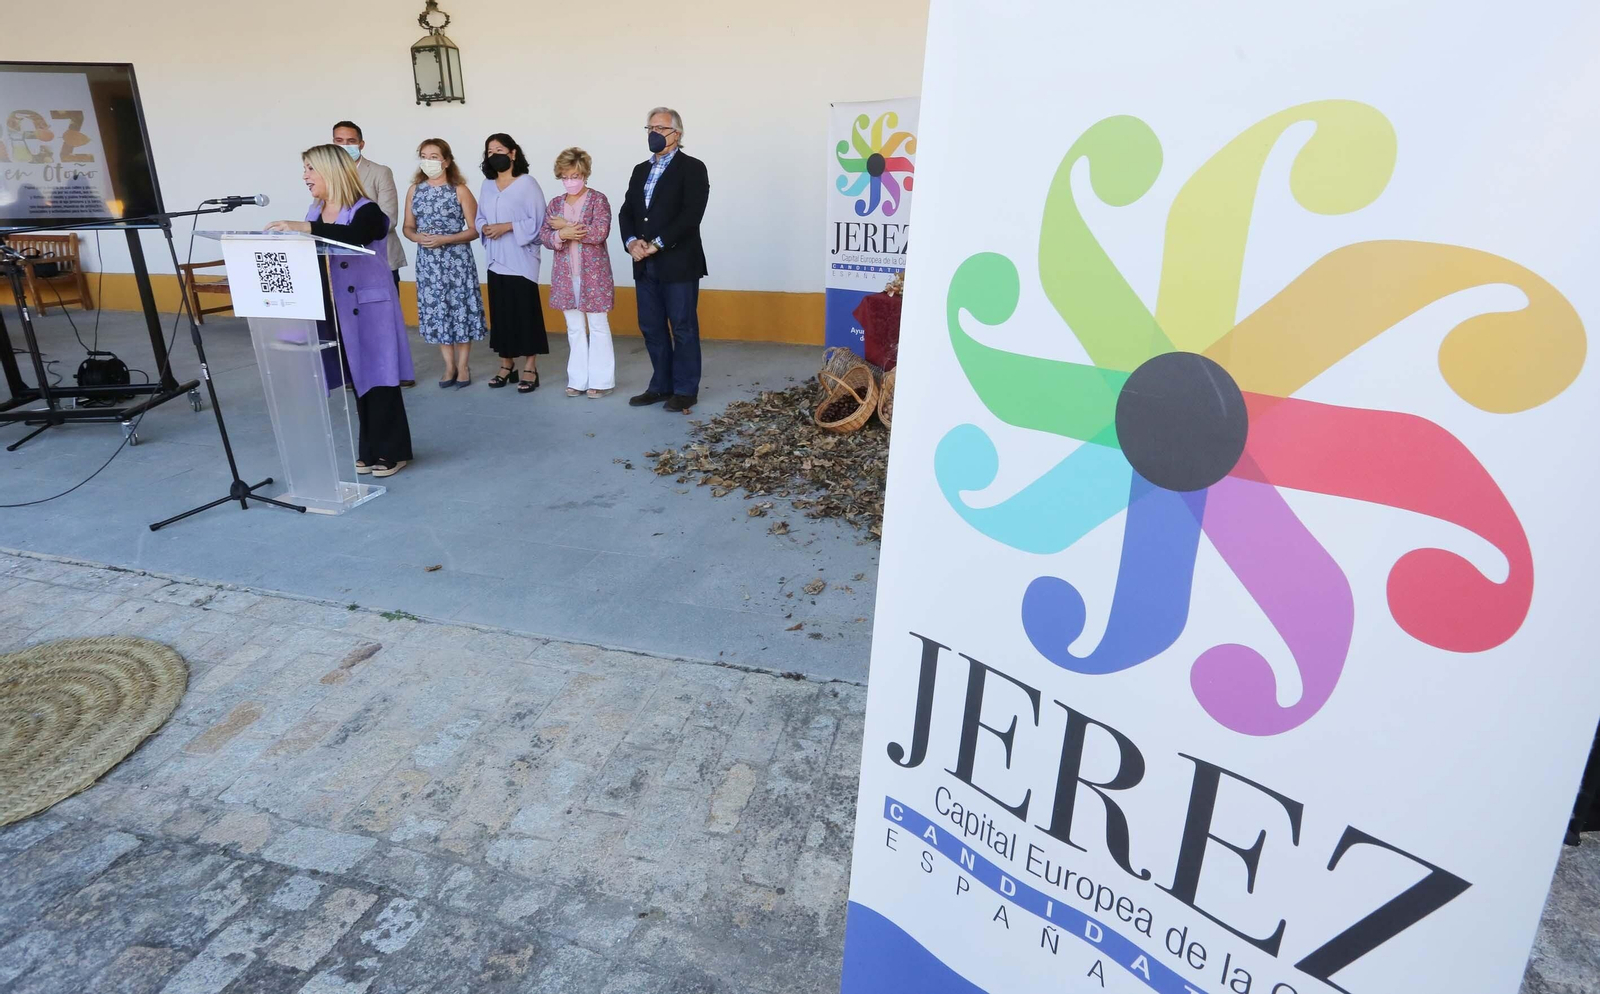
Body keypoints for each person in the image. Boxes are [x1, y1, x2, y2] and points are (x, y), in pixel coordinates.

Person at [266, 145, 414, 477]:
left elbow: (355, 236)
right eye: (304, 169)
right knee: (358, 379)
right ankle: (370, 448)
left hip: (371, 308)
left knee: (380, 378)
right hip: (337, 309)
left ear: (330, 171)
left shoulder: (367, 210)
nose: (305, 176)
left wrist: (304, 229)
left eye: (310, 169)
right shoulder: (315, 211)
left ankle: (393, 450)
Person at [619, 106, 710, 413]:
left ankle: (685, 390)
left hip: (678, 262)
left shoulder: (692, 168)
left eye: (660, 128)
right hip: (643, 263)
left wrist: (657, 244)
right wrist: (631, 242)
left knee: (683, 327)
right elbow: (627, 212)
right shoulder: (639, 170)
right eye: (650, 128)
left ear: (677, 134)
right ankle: (661, 385)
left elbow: (691, 215)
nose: (654, 133)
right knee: (651, 327)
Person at [332, 120, 413, 386]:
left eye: (350, 141)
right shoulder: (328, 175)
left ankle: (395, 373)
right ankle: (357, 374)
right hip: (342, 261)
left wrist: (353, 233)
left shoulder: (379, 172)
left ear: (361, 144)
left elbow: (389, 218)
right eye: (339, 141)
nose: (345, 146)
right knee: (350, 322)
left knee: (385, 321)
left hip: (379, 257)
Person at [402, 138, 486, 387]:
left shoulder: (459, 189)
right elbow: (407, 227)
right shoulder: (415, 190)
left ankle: (463, 366)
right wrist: (417, 237)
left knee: (460, 309)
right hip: (428, 263)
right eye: (424, 156)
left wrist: (446, 239)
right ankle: (449, 366)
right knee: (437, 311)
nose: (428, 161)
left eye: (434, 157)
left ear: (447, 161)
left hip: (457, 262)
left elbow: (475, 229)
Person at [475, 133, 548, 393]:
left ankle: (530, 367)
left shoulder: (527, 183)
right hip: (496, 259)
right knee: (502, 314)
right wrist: (485, 227)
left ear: (513, 153)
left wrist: (507, 226)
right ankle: (506, 364)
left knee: (524, 313)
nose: (494, 155)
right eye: (490, 151)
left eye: (499, 150)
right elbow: (479, 216)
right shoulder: (487, 185)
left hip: (521, 260)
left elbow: (538, 221)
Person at [540, 148, 615, 398]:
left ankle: (602, 381)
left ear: (585, 174)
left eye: (575, 176)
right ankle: (577, 379)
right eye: (565, 176)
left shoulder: (598, 200)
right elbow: (545, 236)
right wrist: (561, 234)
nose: (570, 181)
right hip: (565, 275)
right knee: (574, 327)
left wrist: (566, 226)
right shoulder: (555, 204)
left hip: (594, 275)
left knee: (598, 325)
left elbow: (599, 233)